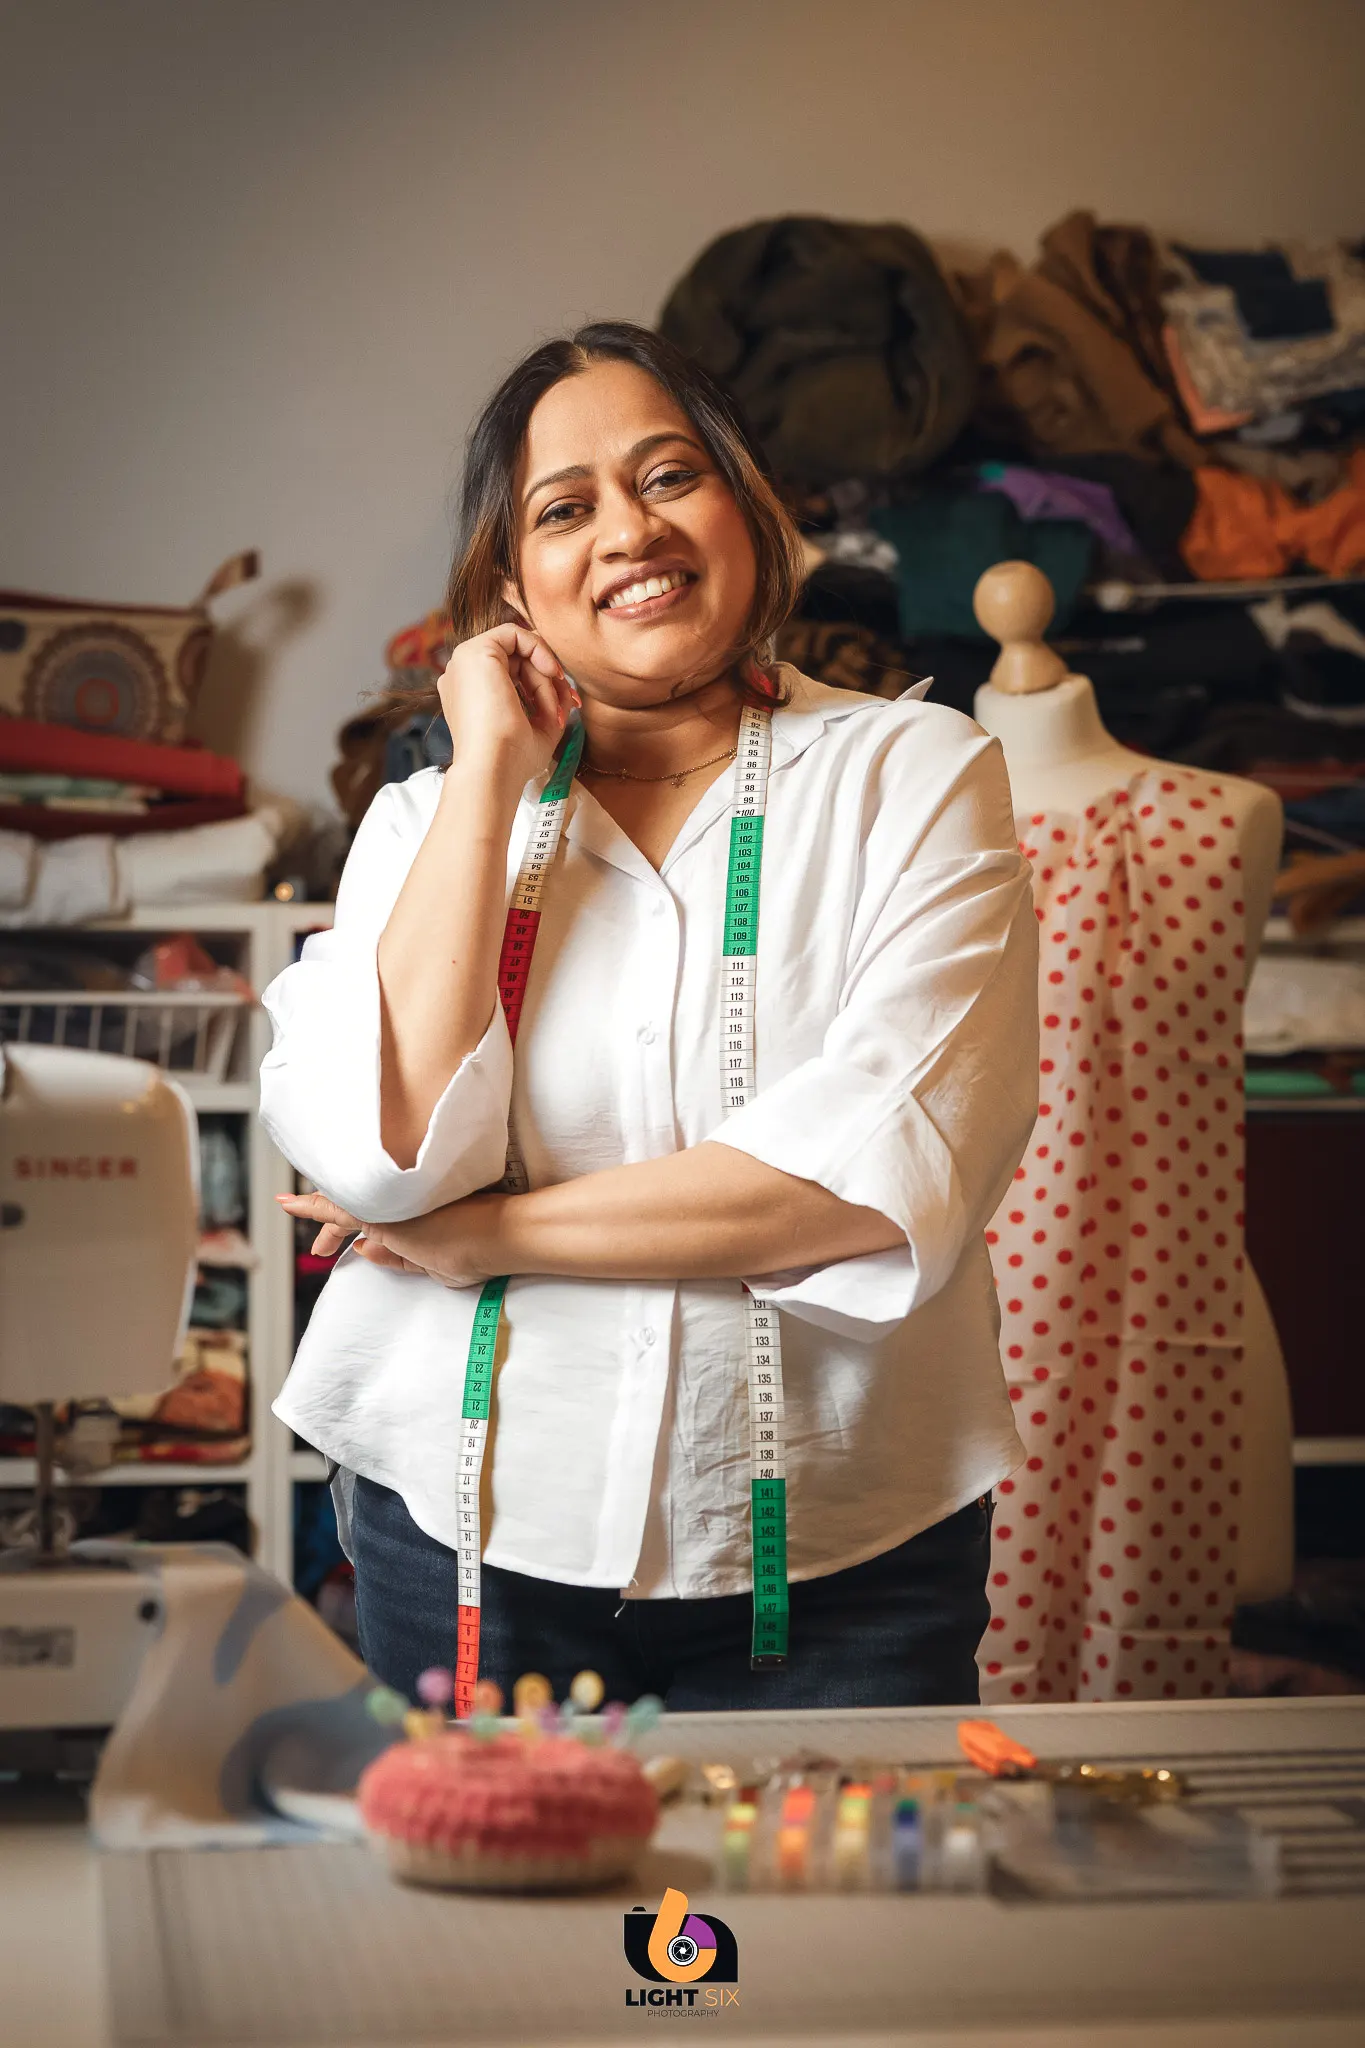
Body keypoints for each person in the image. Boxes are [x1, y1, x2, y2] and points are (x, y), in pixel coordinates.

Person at [261, 321, 1038, 1712]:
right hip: (459, 1537)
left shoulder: (912, 777)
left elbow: (861, 1182)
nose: (627, 529)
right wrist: (490, 771)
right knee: (502, 1929)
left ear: (748, 506)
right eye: (565, 509)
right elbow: (387, 1158)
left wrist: (474, 1239)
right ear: (513, 583)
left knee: (821, 1932)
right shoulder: (425, 824)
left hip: (842, 1554)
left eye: (669, 476)